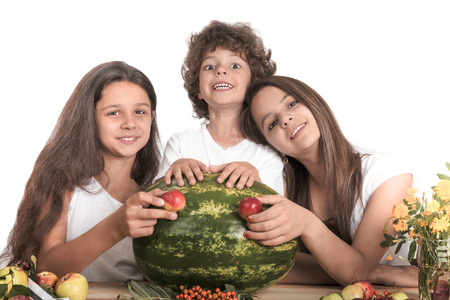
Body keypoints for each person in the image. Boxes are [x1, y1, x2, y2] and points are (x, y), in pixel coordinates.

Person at [0, 61, 177, 281]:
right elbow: (45, 270)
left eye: (140, 111)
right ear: (89, 118)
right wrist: (116, 226)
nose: (130, 123)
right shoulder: (63, 184)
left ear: (152, 117)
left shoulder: (155, 195)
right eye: (114, 113)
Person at [240, 75, 418, 287]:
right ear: (272, 146)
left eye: (292, 103)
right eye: (272, 124)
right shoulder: (280, 189)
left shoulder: (388, 173)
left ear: (315, 103)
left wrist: (307, 224)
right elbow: (267, 265)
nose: (286, 119)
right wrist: (376, 273)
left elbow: (355, 271)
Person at [158, 20, 284, 195]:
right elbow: (155, 200)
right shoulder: (180, 144)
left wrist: (257, 183)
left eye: (235, 65)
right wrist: (172, 173)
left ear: (253, 83)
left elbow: (275, 211)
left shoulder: (268, 152)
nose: (221, 71)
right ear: (198, 89)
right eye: (209, 66)